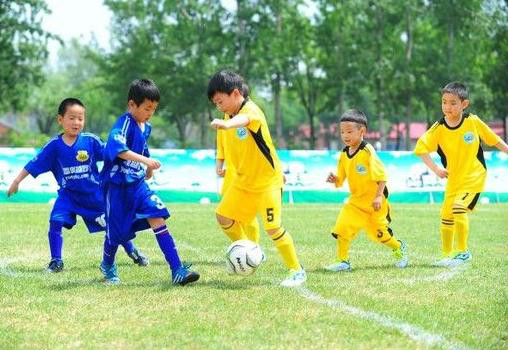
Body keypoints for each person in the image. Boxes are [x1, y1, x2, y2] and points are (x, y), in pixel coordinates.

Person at [6, 98, 148, 272]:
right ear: (60, 119)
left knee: (113, 227)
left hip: (94, 196)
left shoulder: (91, 141)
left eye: (80, 118)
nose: (76, 122)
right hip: (68, 196)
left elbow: (113, 153)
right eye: (72, 118)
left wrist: (135, 159)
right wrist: (16, 181)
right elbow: (33, 164)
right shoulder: (53, 146)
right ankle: (56, 261)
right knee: (55, 221)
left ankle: (133, 252)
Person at [208, 70, 306, 287]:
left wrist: (227, 125)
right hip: (243, 182)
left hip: (267, 183)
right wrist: (222, 163)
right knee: (223, 217)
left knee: (273, 228)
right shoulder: (228, 115)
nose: (219, 106)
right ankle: (250, 252)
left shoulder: (251, 111)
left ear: (235, 94)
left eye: (220, 101)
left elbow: (245, 120)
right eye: (215, 103)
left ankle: (297, 270)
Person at [99, 79, 199, 285]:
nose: (150, 113)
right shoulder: (124, 124)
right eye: (147, 108)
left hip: (137, 185)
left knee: (157, 215)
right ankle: (107, 264)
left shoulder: (146, 127)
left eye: (154, 109)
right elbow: (119, 149)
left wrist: (148, 168)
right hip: (117, 187)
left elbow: (143, 150)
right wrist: (146, 161)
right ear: (132, 105)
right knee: (116, 235)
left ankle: (177, 270)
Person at [414, 82, 508, 267]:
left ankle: (463, 252)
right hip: (453, 180)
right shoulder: (439, 127)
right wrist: (436, 169)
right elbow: (420, 148)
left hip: (474, 176)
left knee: (458, 207)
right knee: (446, 215)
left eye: (453, 103)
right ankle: (446, 255)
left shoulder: (472, 121)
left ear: (464, 104)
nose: (447, 107)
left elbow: (495, 140)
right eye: (444, 102)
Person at [325, 109, 408, 272]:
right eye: (342, 132)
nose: (345, 135)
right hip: (355, 202)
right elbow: (341, 178)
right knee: (342, 229)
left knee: (381, 235)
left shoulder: (367, 151)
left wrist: (378, 197)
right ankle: (343, 261)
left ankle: (398, 247)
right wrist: (335, 179)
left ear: (362, 131)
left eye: (349, 131)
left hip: (374, 204)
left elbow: (382, 176)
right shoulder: (343, 154)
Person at [216, 93, 261, 244]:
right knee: (228, 212)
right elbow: (221, 144)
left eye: (221, 101)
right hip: (230, 173)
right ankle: (244, 246)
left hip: (246, 174)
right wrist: (219, 165)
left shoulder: (248, 114)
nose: (219, 105)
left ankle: (253, 247)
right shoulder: (225, 119)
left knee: (245, 213)